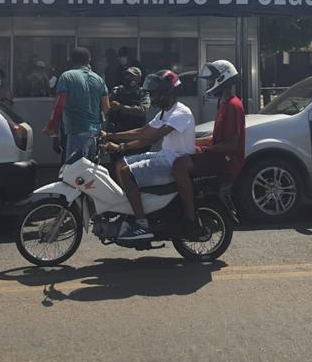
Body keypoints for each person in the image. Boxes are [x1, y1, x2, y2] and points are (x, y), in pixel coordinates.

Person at [104, 70, 196, 242]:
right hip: (164, 157)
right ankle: (130, 210)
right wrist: (112, 137)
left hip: (173, 162)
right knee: (120, 163)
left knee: (126, 172)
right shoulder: (164, 112)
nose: (153, 97)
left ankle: (141, 224)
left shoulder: (180, 112)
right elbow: (143, 131)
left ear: (168, 92)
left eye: (156, 93)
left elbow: (152, 136)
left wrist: (118, 142)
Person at [172, 60, 245, 237]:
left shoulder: (233, 105)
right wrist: (196, 142)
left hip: (226, 161)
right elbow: (218, 139)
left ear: (222, 79)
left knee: (179, 165)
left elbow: (231, 144)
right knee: (181, 154)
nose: (210, 84)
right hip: (218, 155)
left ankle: (190, 218)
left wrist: (205, 150)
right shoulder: (223, 103)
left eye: (212, 80)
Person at [44, 47, 109, 162]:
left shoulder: (67, 77)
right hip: (95, 132)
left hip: (75, 132)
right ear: (89, 60)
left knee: (73, 171)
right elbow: (106, 108)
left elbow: (60, 104)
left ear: (72, 60)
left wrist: (52, 128)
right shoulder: (99, 79)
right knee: (91, 170)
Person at [106, 67, 150, 134]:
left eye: (131, 76)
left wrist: (121, 107)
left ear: (138, 79)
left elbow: (143, 110)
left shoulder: (143, 93)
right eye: (127, 75)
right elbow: (107, 106)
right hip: (118, 131)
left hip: (135, 131)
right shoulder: (117, 91)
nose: (128, 78)